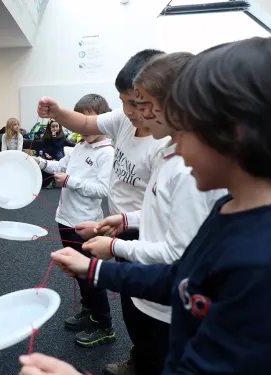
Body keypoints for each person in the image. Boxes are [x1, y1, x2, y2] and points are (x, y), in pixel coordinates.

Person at [27, 36, 271, 375]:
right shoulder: (231, 210)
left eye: (182, 130)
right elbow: (183, 279)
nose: (171, 145)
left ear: (235, 133)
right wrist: (95, 269)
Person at [78, 52, 225, 375]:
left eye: (145, 105)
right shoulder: (169, 151)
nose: (138, 115)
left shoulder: (185, 166)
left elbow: (178, 252)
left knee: (163, 355)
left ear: (177, 104)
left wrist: (111, 251)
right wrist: (126, 220)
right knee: (146, 341)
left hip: (170, 304)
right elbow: (163, 212)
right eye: (134, 103)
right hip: (156, 291)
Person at [37, 49, 168, 349]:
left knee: (147, 302)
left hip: (144, 231)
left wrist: (120, 233)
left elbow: (168, 227)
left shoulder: (166, 146)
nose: (128, 111)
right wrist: (56, 112)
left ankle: (138, 348)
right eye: (122, 102)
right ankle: (137, 352)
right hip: (118, 223)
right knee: (130, 299)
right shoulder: (124, 120)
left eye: (134, 103)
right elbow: (85, 124)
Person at [34, 94, 115, 347]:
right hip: (65, 219)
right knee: (79, 273)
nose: (83, 127)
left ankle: (105, 325)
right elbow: (59, 164)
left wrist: (70, 181)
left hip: (87, 225)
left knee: (90, 275)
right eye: (80, 122)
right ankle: (89, 312)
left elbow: (103, 189)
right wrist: (37, 161)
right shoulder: (80, 146)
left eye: (88, 120)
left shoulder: (107, 152)